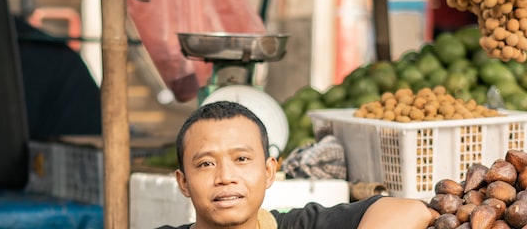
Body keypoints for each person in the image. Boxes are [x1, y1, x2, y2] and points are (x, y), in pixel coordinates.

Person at [157, 100, 432, 229]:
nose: (226, 177)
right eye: (206, 164)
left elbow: (410, 211)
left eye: (241, 159)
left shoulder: (298, 225)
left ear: (268, 172)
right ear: (184, 182)